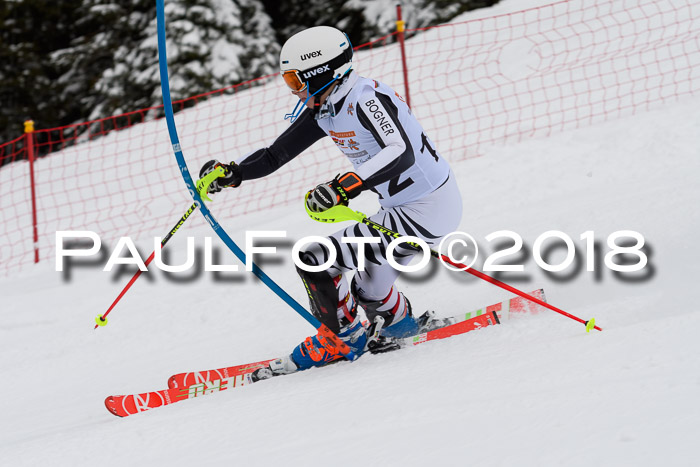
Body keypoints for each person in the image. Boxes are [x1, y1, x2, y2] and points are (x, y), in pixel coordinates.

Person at [199, 25, 463, 377]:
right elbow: (276, 155)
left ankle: (342, 338)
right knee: (367, 289)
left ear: (321, 72)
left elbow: (400, 151)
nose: (293, 90)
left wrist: (344, 186)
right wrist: (233, 173)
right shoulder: (327, 105)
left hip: (426, 208)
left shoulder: (364, 97)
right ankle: (398, 323)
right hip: (402, 208)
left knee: (315, 259)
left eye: (296, 81)